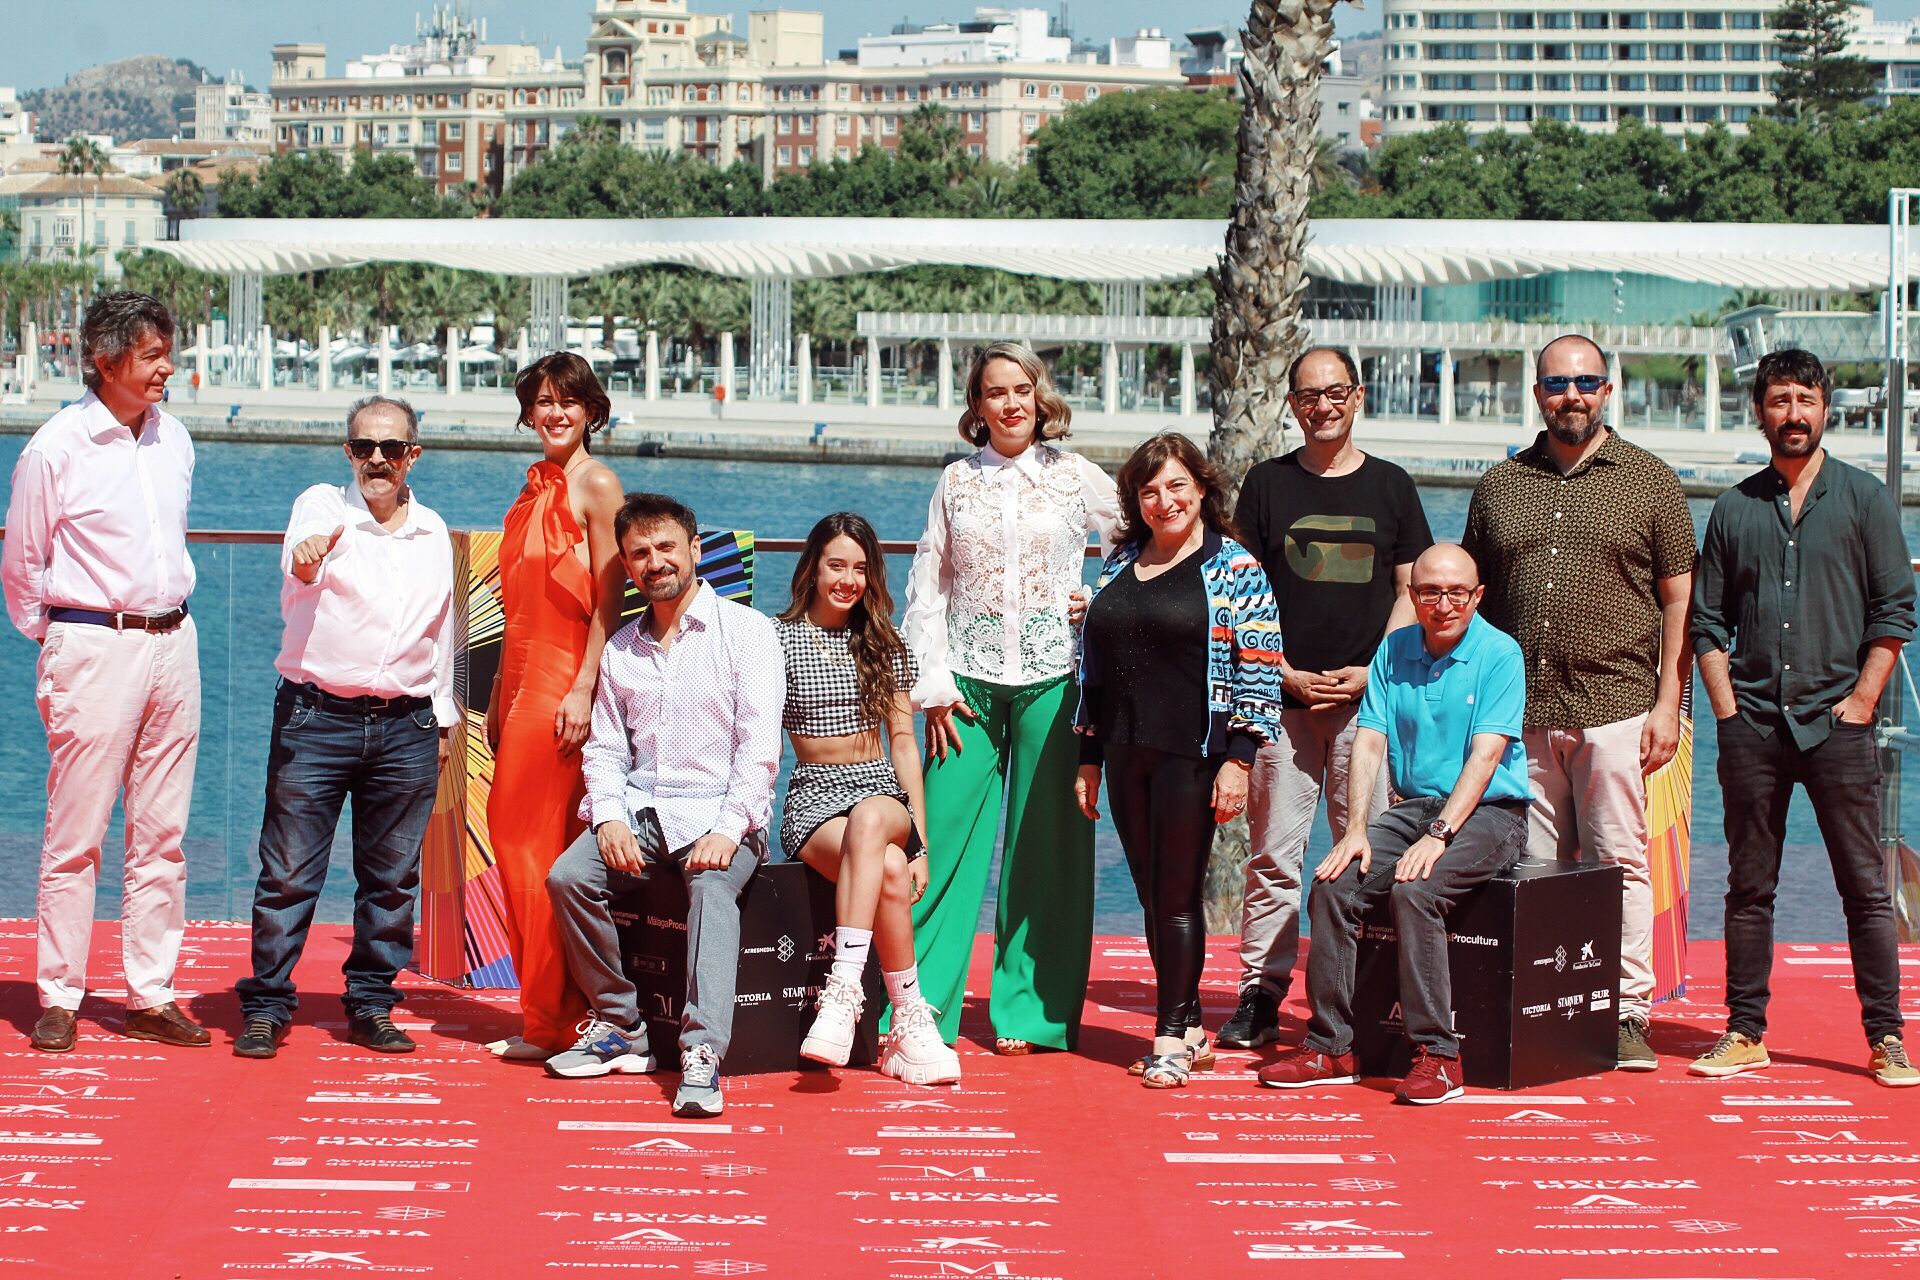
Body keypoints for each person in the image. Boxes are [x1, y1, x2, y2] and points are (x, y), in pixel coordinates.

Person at [1463, 333, 1697, 1073]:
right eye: (1558, 383)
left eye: (1587, 382)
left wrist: (1670, 705)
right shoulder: (1501, 485)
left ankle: (1627, 1014)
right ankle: (1537, 1008)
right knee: (1531, 870)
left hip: (1619, 706)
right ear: (1537, 394)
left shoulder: (1651, 481)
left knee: (1618, 865)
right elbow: (1473, 596)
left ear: (1608, 389)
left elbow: (1680, 601)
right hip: (1521, 714)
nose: (1573, 395)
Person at [1688, 348, 1917, 1087]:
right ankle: (1745, 1029)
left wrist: (1861, 704)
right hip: (1751, 723)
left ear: (1826, 410)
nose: (1794, 414)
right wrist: (1726, 711)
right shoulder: (1734, 507)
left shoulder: (1865, 500)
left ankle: (1886, 1037)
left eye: (1806, 400)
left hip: (1838, 726)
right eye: (1780, 400)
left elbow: (1894, 612)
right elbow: (1707, 622)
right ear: (1760, 411)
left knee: (1863, 887)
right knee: (1749, 887)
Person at [902, 341, 1123, 1054]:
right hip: (963, 685)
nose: (1010, 403)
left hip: (1055, 681)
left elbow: (1142, 542)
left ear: (1040, 395)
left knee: (1050, 850)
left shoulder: (1075, 476)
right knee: (935, 845)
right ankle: (916, 1009)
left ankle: (1031, 1014)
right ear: (976, 406)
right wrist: (932, 684)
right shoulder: (955, 482)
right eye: (995, 392)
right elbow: (926, 585)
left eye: (1021, 389)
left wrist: (1099, 598)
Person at [1, 291, 206, 1052]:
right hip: (92, 645)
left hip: (174, 644)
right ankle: (59, 993)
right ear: (105, 359)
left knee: (164, 833)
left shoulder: (175, 440)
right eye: (152, 355)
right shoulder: (56, 449)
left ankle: (151, 994)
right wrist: (61, 641)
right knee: (76, 833)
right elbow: (21, 565)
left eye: (165, 352)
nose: (166, 368)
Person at [1257, 544, 1529, 1105]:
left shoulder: (1500, 653)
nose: (1444, 603)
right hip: (1412, 808)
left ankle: (1440, 1055)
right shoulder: (1394, 650)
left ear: (1477, 596)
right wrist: (1356, 828)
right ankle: (1333, 1045)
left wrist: (1440, 835)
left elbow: (1485, 756)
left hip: (1489, 812)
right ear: (1412, 595)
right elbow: (1371, 741)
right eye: (1430, 591)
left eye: (1457, 592)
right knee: (1332, 885)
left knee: (1417, 891)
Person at [543, 493, 785, 1118]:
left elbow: (761, 752)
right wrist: (609, 815)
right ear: (627, 565)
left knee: (709, 887)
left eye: (666, 547)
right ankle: (621, 1024)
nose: (655, 562)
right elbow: (604, 751)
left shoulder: (750, 633)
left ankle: (702, 1054)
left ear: (695, 550)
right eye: (639, 553)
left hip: (722, 812)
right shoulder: (622, 648)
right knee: (568, 877)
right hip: (644, 813)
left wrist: (730, 830)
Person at [232, 395, 457, 1059]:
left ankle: (371, 1003)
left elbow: (440, 635)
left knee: (392, 879)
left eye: (391, 448)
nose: (377, 460)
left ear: (414, 455)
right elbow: (301, 557)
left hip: (408, 725)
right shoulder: (324, 507)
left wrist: (443, 721)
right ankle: (267, 1005)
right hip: (316, 718)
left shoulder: (434, 531)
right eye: (364, 447)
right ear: (348, 452)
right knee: (289, 874)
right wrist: (307, 553)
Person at [1222, 346, 1431, 1051]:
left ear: (1359, 396)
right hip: (1283, 706)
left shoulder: (1393, 488)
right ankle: (1261, 992)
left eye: (1335, 392)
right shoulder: (1267, 486)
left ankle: (1364, 995)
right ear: (1292, 403)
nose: (1323, 406)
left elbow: (1411, 592)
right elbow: (1239, 591)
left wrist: (1374, 669)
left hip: (1367, 708)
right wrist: (1279, 669)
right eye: (1309, 396)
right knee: (1274, 857)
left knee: (1364, 853)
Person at [1073, 433, 1283, 1088]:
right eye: (1149, 490)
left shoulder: (1235, 568)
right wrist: (1088, 756)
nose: (1164, 500)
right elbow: (1096, 667)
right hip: (1125, 748)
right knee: (1148, 893)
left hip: (1194, 753)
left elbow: (1261, 668)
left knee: (1177, 896)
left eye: (1175, 486)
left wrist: (1239, 759)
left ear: (1201, 488)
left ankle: (1167, 1037)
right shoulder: (1120, 560)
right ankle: (1190, 1025)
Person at [775, 513, 961, 1086]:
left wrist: (922, 844)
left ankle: (843, 991)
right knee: (882, 865)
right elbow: (756, 735)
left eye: (860, 568)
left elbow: (904, 745)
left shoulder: (885, 641)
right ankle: (906, 1020)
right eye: (837, 565)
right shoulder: (775, 639)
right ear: (812, 567)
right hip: (812, 798)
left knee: (875, 820)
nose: (848, 579)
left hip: (879, 790)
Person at [484, 352, 627, 1061]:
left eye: (568, 401)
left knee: (527, 844)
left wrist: (584, 687)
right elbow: (515, 608)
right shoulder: (533, 486)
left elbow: (611, 600)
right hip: (518, 681)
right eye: (541, 402)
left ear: (591, 410)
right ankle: (547, 1010)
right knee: (514, 840)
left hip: (565, 681)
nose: (554, 413)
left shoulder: (597, 484)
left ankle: (557, 1020)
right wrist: (494, 696)